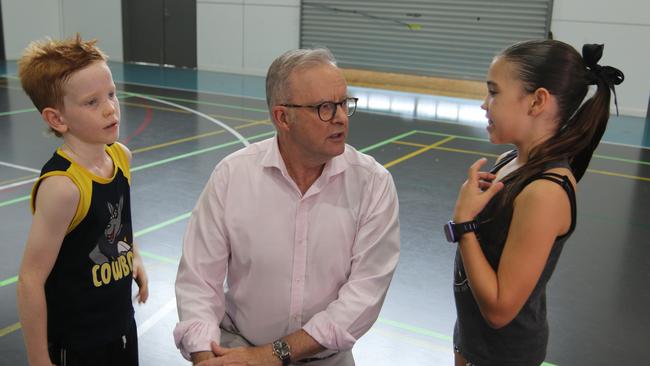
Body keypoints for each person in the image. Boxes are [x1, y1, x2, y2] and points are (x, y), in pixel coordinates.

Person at [174, 48, 400, 365]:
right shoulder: (232, 176)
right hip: (237, 348)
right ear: (283, 117)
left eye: (343, 103)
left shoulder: (373, 184)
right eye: (324, 107)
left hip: (327, 358)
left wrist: (271, 355)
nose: (340, 117)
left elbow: (363, 297)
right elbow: (198, 280)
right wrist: (205, 356)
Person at [445, 40, 624, 366]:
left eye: (494, 92)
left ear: (537, 101)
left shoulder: (545, 192)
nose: (485, 104)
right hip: (473, 341)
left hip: (503, 355)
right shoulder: (509, 161)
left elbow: (500, 310)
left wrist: (464, 225)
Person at [16, 35, 149, 366]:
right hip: (78, 344)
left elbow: (119, 223)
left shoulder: (121, 157)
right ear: (57, 119)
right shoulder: (63, 187)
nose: (110, 107)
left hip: (120, 326)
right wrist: (38, 359)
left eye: (112, 94)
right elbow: (30, 278)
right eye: (92, 102)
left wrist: (134, 256)